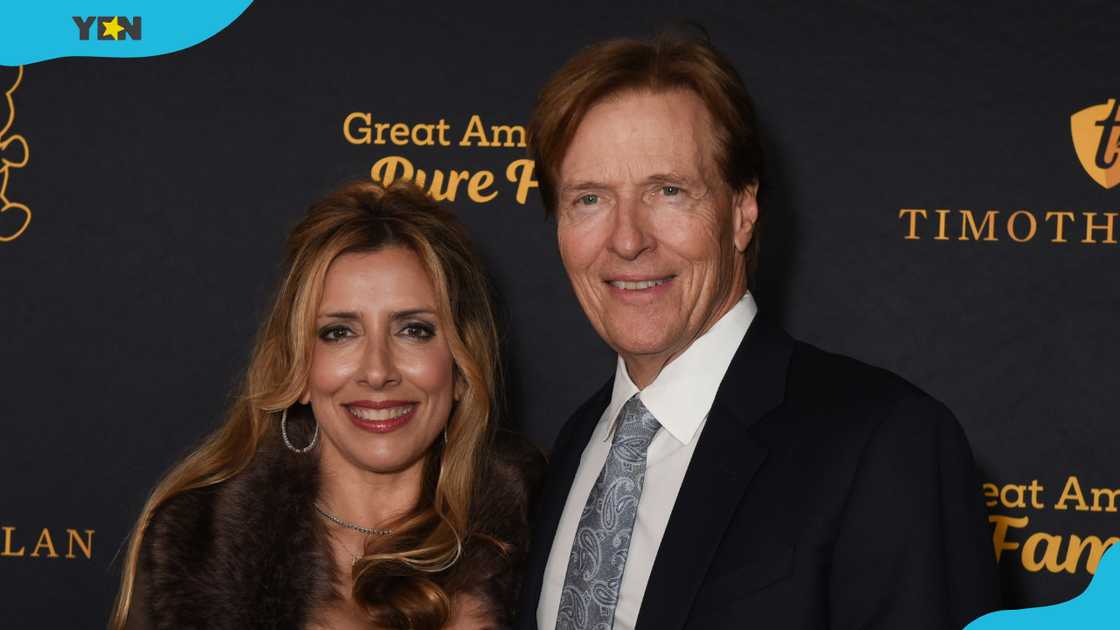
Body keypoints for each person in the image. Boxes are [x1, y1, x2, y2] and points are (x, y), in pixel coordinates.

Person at [517, 32, 1001, 629]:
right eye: (589, 199)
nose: (627, 239)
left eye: (668, 192)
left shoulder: (886, 444)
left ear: (742, 213)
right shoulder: (573, 448)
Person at [111, 180, 543, 630]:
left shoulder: (543, 534)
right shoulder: (197, 548)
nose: (377, 372)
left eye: (414, 330)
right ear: (297, 370)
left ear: (460, 366)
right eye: (339, 332)